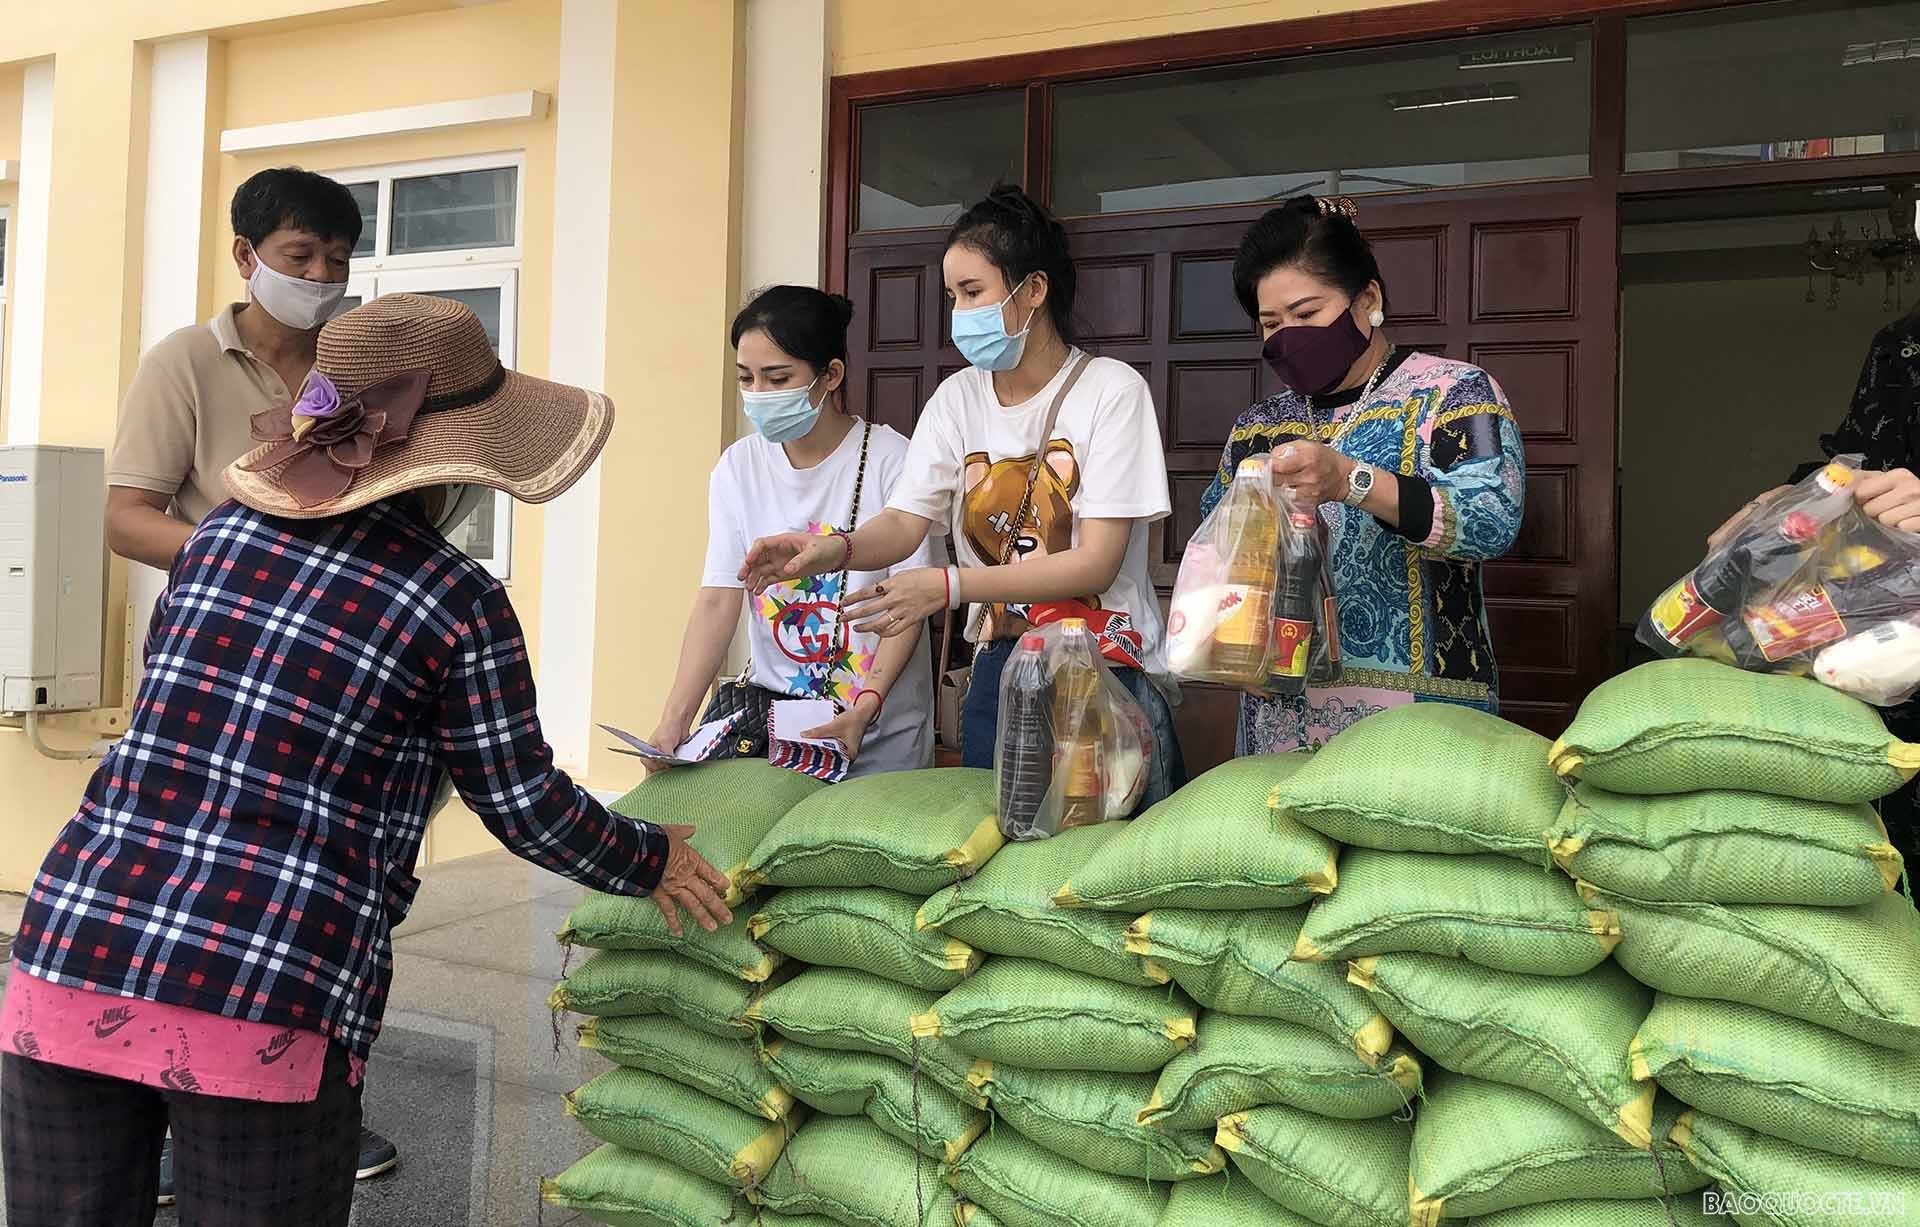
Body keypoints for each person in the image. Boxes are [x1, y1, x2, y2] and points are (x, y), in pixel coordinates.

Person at [1, 294, 731, 1226]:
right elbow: (522, 802)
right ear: (457, 469)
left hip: (71, 951)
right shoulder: (455, 597)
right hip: (264, 986)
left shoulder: (214, 540)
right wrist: (651, 856)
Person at [99, 165, 412, 1196]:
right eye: (298, 256)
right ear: (246, 256)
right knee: (204, 885)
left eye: (337, 260)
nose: (319, 277)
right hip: (216, 668)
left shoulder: (358, 362)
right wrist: (247, 566)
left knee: (324, 887)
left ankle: (310, 1099)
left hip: (335, 672)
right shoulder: (186, 362)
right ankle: (175, 1115)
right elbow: (127, 514)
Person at [741, 185, 1186, 806]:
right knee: (995, 848)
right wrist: (835, 549)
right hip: (1003, 666)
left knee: (1108, 853)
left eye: (973, 292)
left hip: (1104, 666)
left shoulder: (1111, 391)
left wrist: (949, 587)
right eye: (952, 295)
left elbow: (1096, 563)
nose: (959, 312)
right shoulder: (956, 399)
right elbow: (904, 522)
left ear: (1034, 290)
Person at [1200, 195, 1526, 755]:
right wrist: (1229, 642)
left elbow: (1491, 521)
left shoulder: (1453, 392)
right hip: (1280, 714)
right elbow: (1217, 549)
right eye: (1271, 323)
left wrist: (1352, 480)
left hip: (1423, 715)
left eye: (1306, 314)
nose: (1287, 335)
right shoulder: (1258, 427)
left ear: (1368, 299)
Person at [648, 286, 934, 775]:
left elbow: (907, 606)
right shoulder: (739, 466)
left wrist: (866, 707)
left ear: (831, 376)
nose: (758, 394)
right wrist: (674, 721)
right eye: (746, 378)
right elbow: (718, 599)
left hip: (880, 736)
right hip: (775, 731)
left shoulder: (893, 459)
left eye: (778, 378)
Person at [1707, 305, 1920, 877]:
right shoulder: (1903, 343)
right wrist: (1782, 505)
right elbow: (1858, 463)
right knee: (1870, 856)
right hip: (1881, 649)